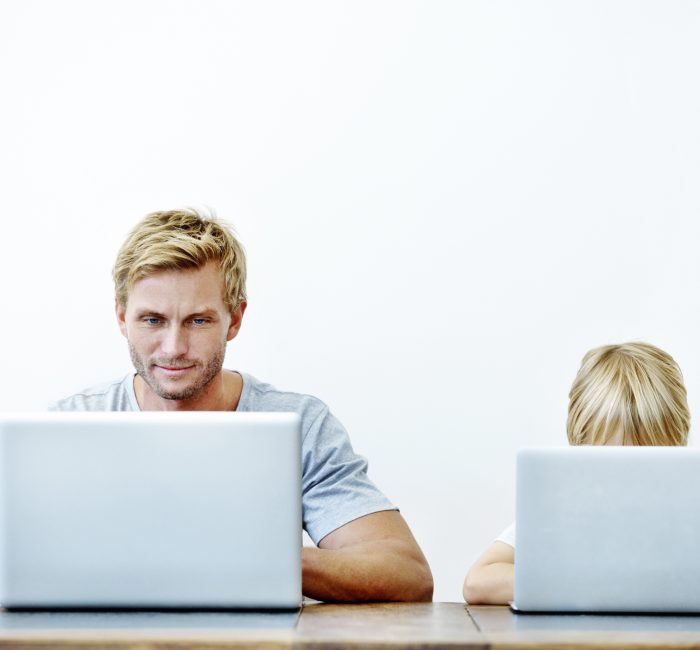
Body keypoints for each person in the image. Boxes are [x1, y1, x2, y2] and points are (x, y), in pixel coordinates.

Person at [52, 208, 433, 603]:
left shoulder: (297, 425)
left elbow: (406, 573)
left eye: (198, 321)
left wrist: (252, 557)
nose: (174, 348)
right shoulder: (69, 426)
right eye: (152, 320)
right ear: (121, 317)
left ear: (235, 319)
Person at [462, 341, 690, 605]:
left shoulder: (688, 508)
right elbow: (477, 582)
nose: (627, 482)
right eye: (609, 462)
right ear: (578, 446)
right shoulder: (560, 513)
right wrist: (594, 580)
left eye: (649, 462)